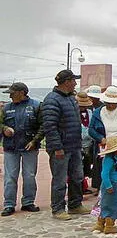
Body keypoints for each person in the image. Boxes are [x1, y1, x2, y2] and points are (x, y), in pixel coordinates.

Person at [42, 70, 91, 220]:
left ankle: (75, 205)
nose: (75, 83)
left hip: (74, 146)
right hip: (61, 148)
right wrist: (57, 147)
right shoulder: (52, 100)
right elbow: (50, 126)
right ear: (66, 82)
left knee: (77, 176)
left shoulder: (71, 98)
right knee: (60, 179)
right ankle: (57, 208)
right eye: (73, 80)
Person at [0, 82, 43, 216]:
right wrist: (4, 129)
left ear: (21, 93)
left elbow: (43, 126)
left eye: (13, 93)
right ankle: (9, 204)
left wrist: (35, 141)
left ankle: (28, 202)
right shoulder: (6, 108)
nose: (11, 96)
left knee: (29, 176)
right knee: (10, 177)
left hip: (29, 147)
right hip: (10, 148)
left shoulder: (36, 106)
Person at [89, 86, 117, 209]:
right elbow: (91, 129)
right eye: (108, 103)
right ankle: (103, 199)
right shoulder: (98, 113)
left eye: (113, 103)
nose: (111, 105)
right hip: (104, 145)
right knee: (104, 172)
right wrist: (101, 138)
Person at [93, 135, 117, 234]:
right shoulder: (109, 159)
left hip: (113, 184)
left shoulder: (114, 158)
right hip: (110, 185)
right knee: (112, 205)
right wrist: (108, 186)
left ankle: (100, 224)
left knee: (106, 204)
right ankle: (110, 225)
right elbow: (104, 174)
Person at [76, 92, 95, 194]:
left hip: (90, 143)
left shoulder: (91, 112)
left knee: (87, 165)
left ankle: (84, 185)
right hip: (77, 143)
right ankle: (79, 187)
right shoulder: (73, 113)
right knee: (78, 166)